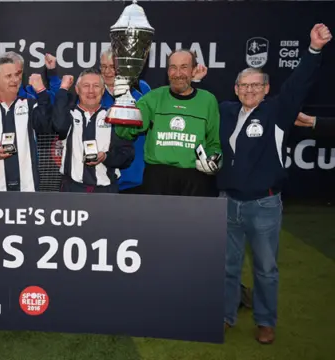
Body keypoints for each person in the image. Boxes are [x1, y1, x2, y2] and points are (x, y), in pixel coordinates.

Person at [219, 24, 331, 344]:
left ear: (267, 89)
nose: (250, 90)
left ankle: (265, 321)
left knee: (266, 269)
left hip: (264, 205)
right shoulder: (226, 111)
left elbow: (299, 84)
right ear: (236, 88)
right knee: (228, 266)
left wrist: (313, 50)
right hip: (228, 202)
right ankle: (226, 315)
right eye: (245, 85)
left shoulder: (278, 112)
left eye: (257, 85)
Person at [114, 49, 221, 196]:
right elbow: (124, 132)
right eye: (173, 67)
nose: (178, 74)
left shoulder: (208, 100)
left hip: (195, 180)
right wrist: (123, 105)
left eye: (184, 67)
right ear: (167, 71)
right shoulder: (152, 98)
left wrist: (214, 160)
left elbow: (214, 143)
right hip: (157, 178)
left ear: (194, 70)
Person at [0, 52, 61, 188]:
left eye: (17, 75)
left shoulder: (31, 104)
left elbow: (47, 125)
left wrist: (41, 91)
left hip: (28, 188)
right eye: (9, 76)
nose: (15, 80)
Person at [52, 69, 135, 192]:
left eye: (96, 86)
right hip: (73, 190)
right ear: (77, 89)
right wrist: (63, 89)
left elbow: (127, 155)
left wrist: (106, 157)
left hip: (106, 192)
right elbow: (58, 125)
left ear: (102, 91)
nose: (91, 91)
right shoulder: (69, 115)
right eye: (86, 86)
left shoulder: (113, 117)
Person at [99, 48, 151, 193]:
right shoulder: (94, 92)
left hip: (135, 176)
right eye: (103, 66)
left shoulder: (141, 88)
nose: (107, 72)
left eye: (112, 67)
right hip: (104, 177)